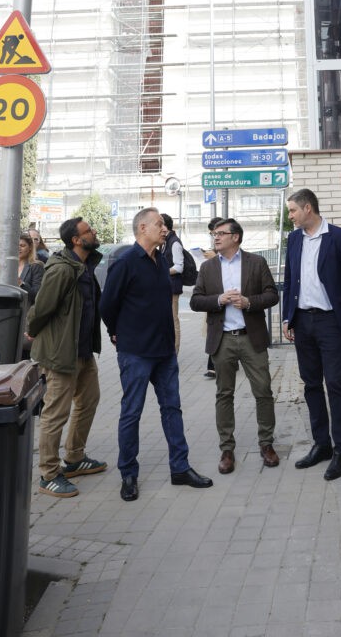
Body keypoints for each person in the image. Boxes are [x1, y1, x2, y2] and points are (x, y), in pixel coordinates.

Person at [100, 207, 213, 502]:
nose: (165, 229)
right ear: (142, 228)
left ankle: (180, 468)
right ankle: (128, 473)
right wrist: (117, 332)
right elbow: (107, 305)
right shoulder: (125, 263)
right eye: (159, 224)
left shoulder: (161, 261)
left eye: (164, 224)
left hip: (164, 352)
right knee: (132, 413)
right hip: (136, 352)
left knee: (172, 409)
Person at [282, 188, 341, 481]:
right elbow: (289, 279)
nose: (290, 216)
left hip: (331, 321)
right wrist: (287, 316)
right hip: (302, 321)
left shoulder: (338, 238)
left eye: (293, 210)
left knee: (334, 382)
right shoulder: (294, 239)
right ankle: (321, 444)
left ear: (307, 208)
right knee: (311, 384)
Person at [190, 218, 280, 474]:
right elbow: (196, 301)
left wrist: (249, 302)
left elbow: (272, 295)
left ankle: (266, 444)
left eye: (221, 233)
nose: (216, 237)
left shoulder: (256, 262)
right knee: (224, 394)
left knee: (263, 391)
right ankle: (227, 449)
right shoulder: (207, 267)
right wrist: (219, 299)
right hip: (223, 339)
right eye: (214, 234)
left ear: (236, 237)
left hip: (252, 337)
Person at [26, 217, 106, 498]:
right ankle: (48, 474)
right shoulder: (62, 269)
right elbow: (42, 307)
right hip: (61, 352)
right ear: (76, 239)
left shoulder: (85, 265)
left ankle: (74, 458)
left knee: (89, 401)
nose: (93, 232)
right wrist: (31, 330)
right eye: (89, 230)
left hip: (83, 351)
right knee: (56, 413)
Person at [202, 216, 223, 378]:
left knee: (217, 329)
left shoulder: (229, 248)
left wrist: (214, 257)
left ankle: (214, 366)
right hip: (213, 294)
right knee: (214, 328)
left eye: (215, 233)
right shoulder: (216, 248)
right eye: (212, 234)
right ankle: (215, 364)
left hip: (224, 295)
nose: (214, 237)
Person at [161, 213, 184, 354]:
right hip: (167, 286)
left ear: (165, 226)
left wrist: (161, 272)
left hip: (173, 287)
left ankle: (175, 351)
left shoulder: (174, 242)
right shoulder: (164, 242)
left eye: (159, 224)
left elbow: (179, 266)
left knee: (173, 319)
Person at [19, 232, 45, 306]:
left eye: (22, 245)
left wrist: (22, 284)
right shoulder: (6, 266)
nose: (18, 248)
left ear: (30, 247)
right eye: (15, 245)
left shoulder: (36, 266)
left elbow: (37, 294)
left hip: (26, 309)